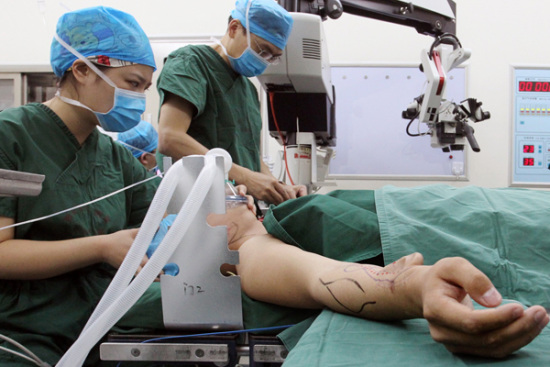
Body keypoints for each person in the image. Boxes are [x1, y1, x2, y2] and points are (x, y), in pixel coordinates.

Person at [0, 6, 158, 366]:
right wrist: (101, 247)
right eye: (132, 84)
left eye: (145, 88)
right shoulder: (11, 137)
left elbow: (162, 216)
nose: (138, 99)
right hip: (19, 340)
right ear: (82, 69)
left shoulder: (116, 159)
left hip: (96, 336)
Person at [156, 0, 307, 205]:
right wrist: (244, 177)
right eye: (262, 51)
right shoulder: (191, 63)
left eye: (273, 57)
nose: (265, 60)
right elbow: (169, 137)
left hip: (237, 207)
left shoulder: (249, 90)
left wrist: (278, 187)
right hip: (192, 207)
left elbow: (249, 157)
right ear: (234, 28)